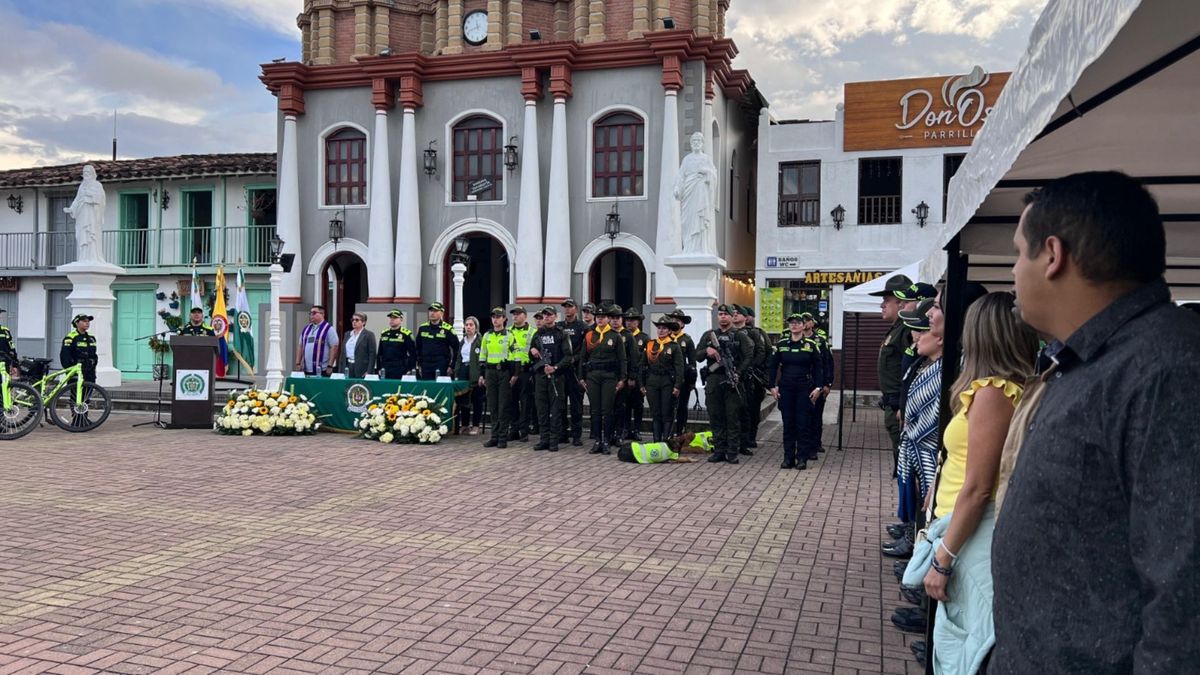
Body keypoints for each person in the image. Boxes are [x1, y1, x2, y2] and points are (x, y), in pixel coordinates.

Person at [992, 171, 1200, 673]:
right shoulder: (1093, 360)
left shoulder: (1167, 370)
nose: (1015, 270)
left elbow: (1184, 601)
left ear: (1053, 255)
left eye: (1020, 253)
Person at [918, 293, 1037, 674]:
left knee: (966, 647)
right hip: (962, 525)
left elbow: (978, 487)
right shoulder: (999, 389)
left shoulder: (993, 393)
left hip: (970, 532)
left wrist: (944, 559)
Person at [884, 299, 942, 561]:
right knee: (913, 496)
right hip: (913, 440)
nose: (915, 337)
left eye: (921, 331)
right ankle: (911, 536)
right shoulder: (923, 362)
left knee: (924, 505)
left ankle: (916, 546)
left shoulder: (941, 369)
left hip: (925, 448)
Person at [695, 304, 752, 464]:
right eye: (720, 314)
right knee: (715, 416)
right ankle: (719, 450)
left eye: (726, 314)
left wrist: (738, 373)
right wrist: (708, 351)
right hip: (714, 379)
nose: (723, 317)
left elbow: (748, 357)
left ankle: (732, 451)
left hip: (732, 380)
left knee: (732, 417)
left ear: (731, 317)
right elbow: (697, 355)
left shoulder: (740, 336)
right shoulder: (709, 336)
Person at [868, 274, 914, 476]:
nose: (882, 305)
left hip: (898, 403)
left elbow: (911, 369)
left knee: (904, 458)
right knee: (899, 453)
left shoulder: (907, 331)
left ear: (901, 303)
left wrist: (902, 404)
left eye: (886, 301)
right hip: (892, 401)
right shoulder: (896, 329)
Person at [766, 313, 823, 470]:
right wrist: (772, 386)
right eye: (792, 323)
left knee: (803, 424)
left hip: (804, 388)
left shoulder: (811, 345)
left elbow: (819, 368)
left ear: (804, 325)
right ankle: (788, 458)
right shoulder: (782, 344)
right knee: (788, 424)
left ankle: (802, 458)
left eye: (798, 323)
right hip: (786, 387)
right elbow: (772, 366)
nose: (794, 325)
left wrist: (818, 388)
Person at [580, 305, 627, 455]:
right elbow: (583, 357)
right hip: (593, 376)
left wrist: (622, 378)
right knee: (595, 410)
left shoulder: (615, 336)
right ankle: (597, 440)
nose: (600, 319)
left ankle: (606, 440)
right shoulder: (589, 335)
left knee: (607, 409)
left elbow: (622, 359)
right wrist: (581, 377)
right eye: (598, 317)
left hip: (609, 376)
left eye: (603, 317)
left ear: (608, 319)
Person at [530, 306, 572, 452]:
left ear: (555, 317)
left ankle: (554, 440)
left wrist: (555, 368)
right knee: (541, 409)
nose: (546, 317)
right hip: (540, 376)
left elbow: (568, 356)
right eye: (544, 315)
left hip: (556, 377)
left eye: (549, 315)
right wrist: (533, 351)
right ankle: (544, 439)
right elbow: (532, 354)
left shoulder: (561, 334)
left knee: (556, 410)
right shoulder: (537, 334)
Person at [641, 315, 685, 442]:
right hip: (652, 381)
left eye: (664, 328)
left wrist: (677, 386)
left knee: (666, 412)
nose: (661, 330)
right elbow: (642, 365)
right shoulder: (650, 345)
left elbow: (679, 367)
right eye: (659, 328)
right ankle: (656, 440)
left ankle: (665, 440)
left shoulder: (674, 346)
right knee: (655, 413)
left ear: (669, 330)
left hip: (667, 382)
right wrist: (641, 384)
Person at [478, 307, 515, 449]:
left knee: (503, 406)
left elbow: (515, 356)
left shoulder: (509, 335)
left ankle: (502, 438)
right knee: (493, 406)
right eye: (493, 317)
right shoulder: (487, 335)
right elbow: (482, 356)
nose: (495, 319)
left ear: (504, 319)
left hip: (504, 372)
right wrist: (482, 374)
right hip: (490, 372)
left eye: (498, 317)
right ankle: (494, 436)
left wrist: (514, 375)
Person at [730, 305, 764, 455]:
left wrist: (751, 367)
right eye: (734, 313)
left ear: (746, 317)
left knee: (750, 409)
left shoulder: (755, 333)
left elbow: (763, 351)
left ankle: (748, 438)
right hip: (732, 375)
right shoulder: (727, 333)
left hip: (749, 376)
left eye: (738, 313)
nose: (735, 315)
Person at [557, 298, 587, 446]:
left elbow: (585, 348)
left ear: (576, 308)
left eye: (570, 307)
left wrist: (575, 358)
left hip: (575, 370)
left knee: (576, 405)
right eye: (565, 307)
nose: (567, 310)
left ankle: (576, 435)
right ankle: (563, 433)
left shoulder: (583, 327)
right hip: (561, 370)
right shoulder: (559, 326)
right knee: (560, 403)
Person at [506, 306, 534, 441]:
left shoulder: (532, 332)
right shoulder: (507, 332)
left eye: (518, 314)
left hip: (525, 370)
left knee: (525, 402)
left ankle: (524, 430)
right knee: (512, 401)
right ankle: (514, 429)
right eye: (513, 314)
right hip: (510, 370)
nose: (515, 316)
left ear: (525, 316)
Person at [668, 309, 698, 434]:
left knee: (682, 406)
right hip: (667, 378)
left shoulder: (687, 340)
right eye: (673, 320)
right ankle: (667, 432)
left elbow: (692, 362)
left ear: (683, 324)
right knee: (667, 406)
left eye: (678, 320)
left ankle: (680, 431)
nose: (675, 322)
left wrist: (692, 381)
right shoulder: (665, 338)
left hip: (683, 379)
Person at [623, 308, 650, 441]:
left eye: (632, 320)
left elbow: (644, 360)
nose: (629, 323)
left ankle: (637, 429)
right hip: (624, 375)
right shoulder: (621, 336)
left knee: (638, 404)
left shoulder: (644, 338)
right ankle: (625, 429)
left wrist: (636, 378)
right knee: (625, 404)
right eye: (627, 320)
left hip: (638, 376)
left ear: (638, 322)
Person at [454, 316, 483, 435]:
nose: (468, 327)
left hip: (475, 371)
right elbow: (459, 358)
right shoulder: (463, 341)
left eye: (471, 325)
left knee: (477, 399)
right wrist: (457, 371)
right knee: (463, 398)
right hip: (463, 370)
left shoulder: (480, 340)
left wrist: (482, 374)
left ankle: (476, 425)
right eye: (467, 325)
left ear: (476, 327)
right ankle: (465, 424)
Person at [415, 302, 458, 380]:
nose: (432, 313)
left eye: (435, 311)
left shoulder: (448, 329)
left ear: (441, 313)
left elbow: (457, 349)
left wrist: (452, 366)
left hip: (441, 364)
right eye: (431, 311)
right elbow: (418, 347)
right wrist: (419, 364)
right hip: (426, 364)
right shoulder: (423, 328)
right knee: (426, 388)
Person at [295, 305, 339, 377]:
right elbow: (300, 346)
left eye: (314, 313)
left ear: (322, 314)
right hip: (306, 369)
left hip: (322, 369)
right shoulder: (306, 329)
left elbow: (334, 347)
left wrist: (330, 365)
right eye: (310, 313)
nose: (311, 315)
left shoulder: (328, 329)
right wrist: (298, 363)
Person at [608, 307, 631, 441]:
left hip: (622, 375)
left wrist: (629, 377)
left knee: (620, 406)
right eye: (612, 318)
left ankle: (619, 432)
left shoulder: (627, 335)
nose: (615, 321)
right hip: (609, 375)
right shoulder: (606, 334)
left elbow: (633, 358)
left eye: (617, 318)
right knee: (608, 407)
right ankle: (610, 434)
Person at [377, 309, 415, 379]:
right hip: (386, 367)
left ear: (401, 319)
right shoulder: (384, 333)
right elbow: (380, 353)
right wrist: (379, 367)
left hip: (400, 367)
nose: (392, 320)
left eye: (395, 318)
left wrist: (410, 368)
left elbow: (412, 353)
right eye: (391, 318)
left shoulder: (406, 334)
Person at [337, 312, 377, 378]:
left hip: (361, 367)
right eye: (352, 320)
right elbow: (342, 353)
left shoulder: (369, 335)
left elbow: (372, 354)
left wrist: (369, 371)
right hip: (347, 366)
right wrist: (340, 370)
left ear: (363, 322)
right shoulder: (347, 334)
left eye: (357, 320)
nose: (354, 322)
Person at [60, 314, 98, 383]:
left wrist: (93, 366)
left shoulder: (91, 337)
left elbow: (94, 354)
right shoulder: (71, 337)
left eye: (88, 321)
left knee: (88, 392)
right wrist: (70, 371)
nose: (87, 323)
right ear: (77, 323)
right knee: (76, 393)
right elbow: (65, 356)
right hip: (75, 370)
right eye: (84, 321)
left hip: (89, 371)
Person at [0, 308, 17, 376]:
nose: (1, 316)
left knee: (5, 384)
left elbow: (11, 348)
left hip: (4, 363)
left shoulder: (5, 331)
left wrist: (15, 364)